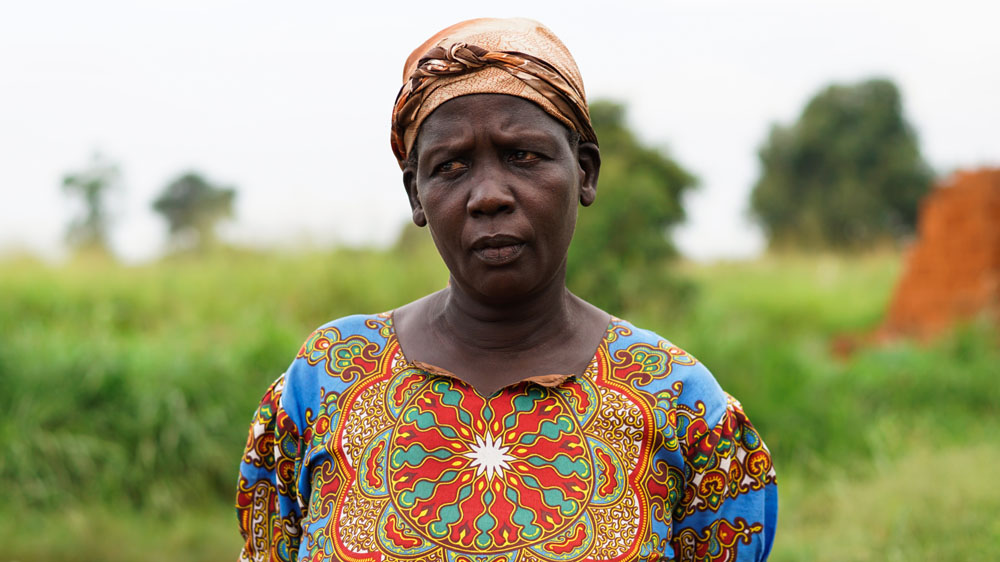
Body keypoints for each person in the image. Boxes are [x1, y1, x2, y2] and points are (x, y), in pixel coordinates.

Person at [236, 17, 777, 562]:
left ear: (584, 172)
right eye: (451, 166)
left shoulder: (680, 403)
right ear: (416, 196)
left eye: (523, 156)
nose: (488, 196)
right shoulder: (329, 378)